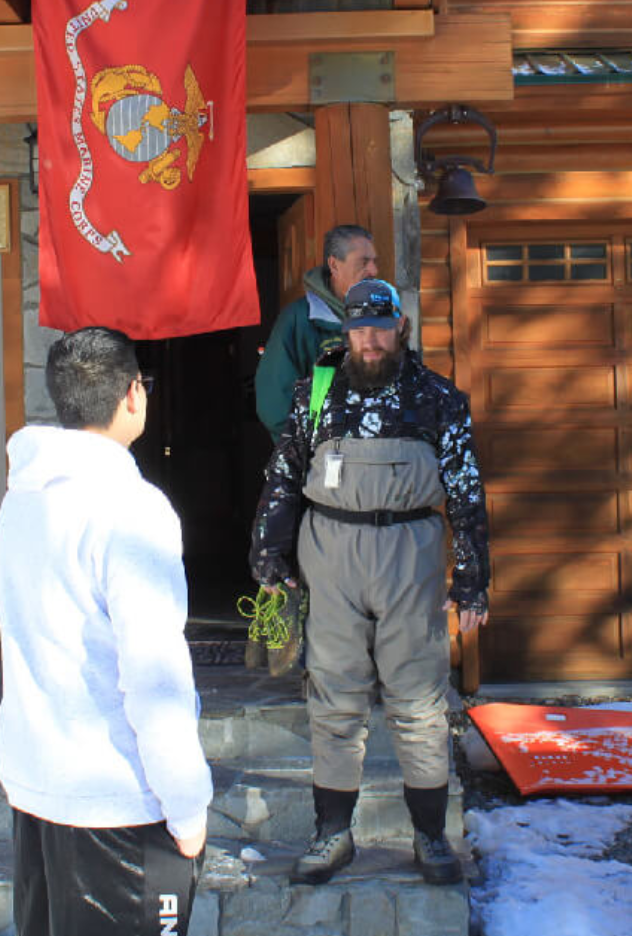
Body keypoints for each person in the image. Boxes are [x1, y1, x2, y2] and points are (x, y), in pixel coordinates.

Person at [249, 278, 490, 887]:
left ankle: (431, 837)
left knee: (417, 698)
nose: (370, 340)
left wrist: (472, 581)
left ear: (400, 328)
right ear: (346, 332)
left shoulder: (439, 399)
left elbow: (465, 491)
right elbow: (282, 477)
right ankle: (333, 834)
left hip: (410, 555)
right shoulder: (316, 393)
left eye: (380, 327)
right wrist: (270, 558)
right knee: (334, 696)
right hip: (331, 553)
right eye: (359, 329)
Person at [0, 326, 212, 936]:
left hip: (38, 787)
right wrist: (186, 804)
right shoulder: (131, 508)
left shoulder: (23, 498)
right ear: (133, 394)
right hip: (116, 802)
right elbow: (153, 676)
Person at [254, 224, 379, 438]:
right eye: (363, 262)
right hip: (323, 460)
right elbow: (274, 404)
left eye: (375, 262)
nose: (374, 271)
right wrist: (313, 448)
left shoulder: (385, 317)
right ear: (334, 265)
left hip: (380, 459)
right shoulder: (298, 319)